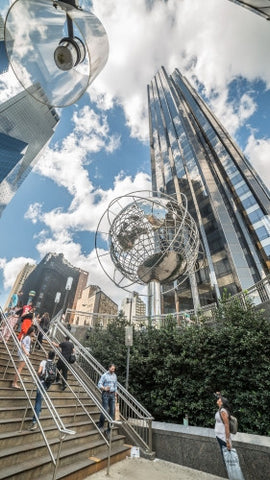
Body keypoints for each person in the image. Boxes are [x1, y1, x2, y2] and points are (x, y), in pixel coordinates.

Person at [29, 350, 56, 431]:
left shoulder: (43, 362)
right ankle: (39, 410)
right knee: (39, 397)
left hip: (42, 382)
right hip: (48, 383)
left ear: (48, 355)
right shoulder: (54, 364)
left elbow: (39, 372)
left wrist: (36, 378)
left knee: (38, 401)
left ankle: (34, 422)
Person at [97, 363, 117, 437]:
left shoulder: (115, 376)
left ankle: (109, 430)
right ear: (109, 368)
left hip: (112, 395)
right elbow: (99, 384)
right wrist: (104, 388)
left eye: (114, 369)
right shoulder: (104, 375)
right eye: (112, 368)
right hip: (105, 394)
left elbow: (115, 385)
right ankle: (100, 425)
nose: (113, 370)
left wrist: (115, 393)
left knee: (112, 411)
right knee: (105, 410)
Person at [214, 392, 232, 457]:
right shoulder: (220, 410)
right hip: (219, 436)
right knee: (224, 456)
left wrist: (227, 441)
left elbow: (227, 425)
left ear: (222, 403)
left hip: (223, 437)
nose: (218, 400)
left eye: (219, 400)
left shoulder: (223, 411)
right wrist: (219, 394)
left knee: (226, 457)